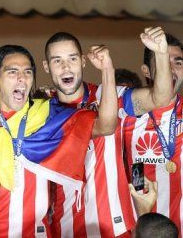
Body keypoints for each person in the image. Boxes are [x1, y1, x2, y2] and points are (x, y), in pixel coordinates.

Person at [0, 44, 106, 237]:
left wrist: (107, 70)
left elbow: (106, 126)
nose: (22, 78)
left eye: (27, 72)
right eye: (12, 71)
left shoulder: (48, 116)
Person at [45, 28, 172, 237]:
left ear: (83, 62)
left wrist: (161, 53)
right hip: (63, 229)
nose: (65, 66)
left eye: (72, 58)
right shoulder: (41, 110)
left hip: (116, 229)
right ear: (46, 66)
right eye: (57, 60)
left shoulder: (111, 95)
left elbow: (161, 97)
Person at [123, 33, 183, 229]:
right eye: (163, 60)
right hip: (142, 227)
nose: (171, 69)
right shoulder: (128, 112)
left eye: (178, 62)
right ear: (146, 71)